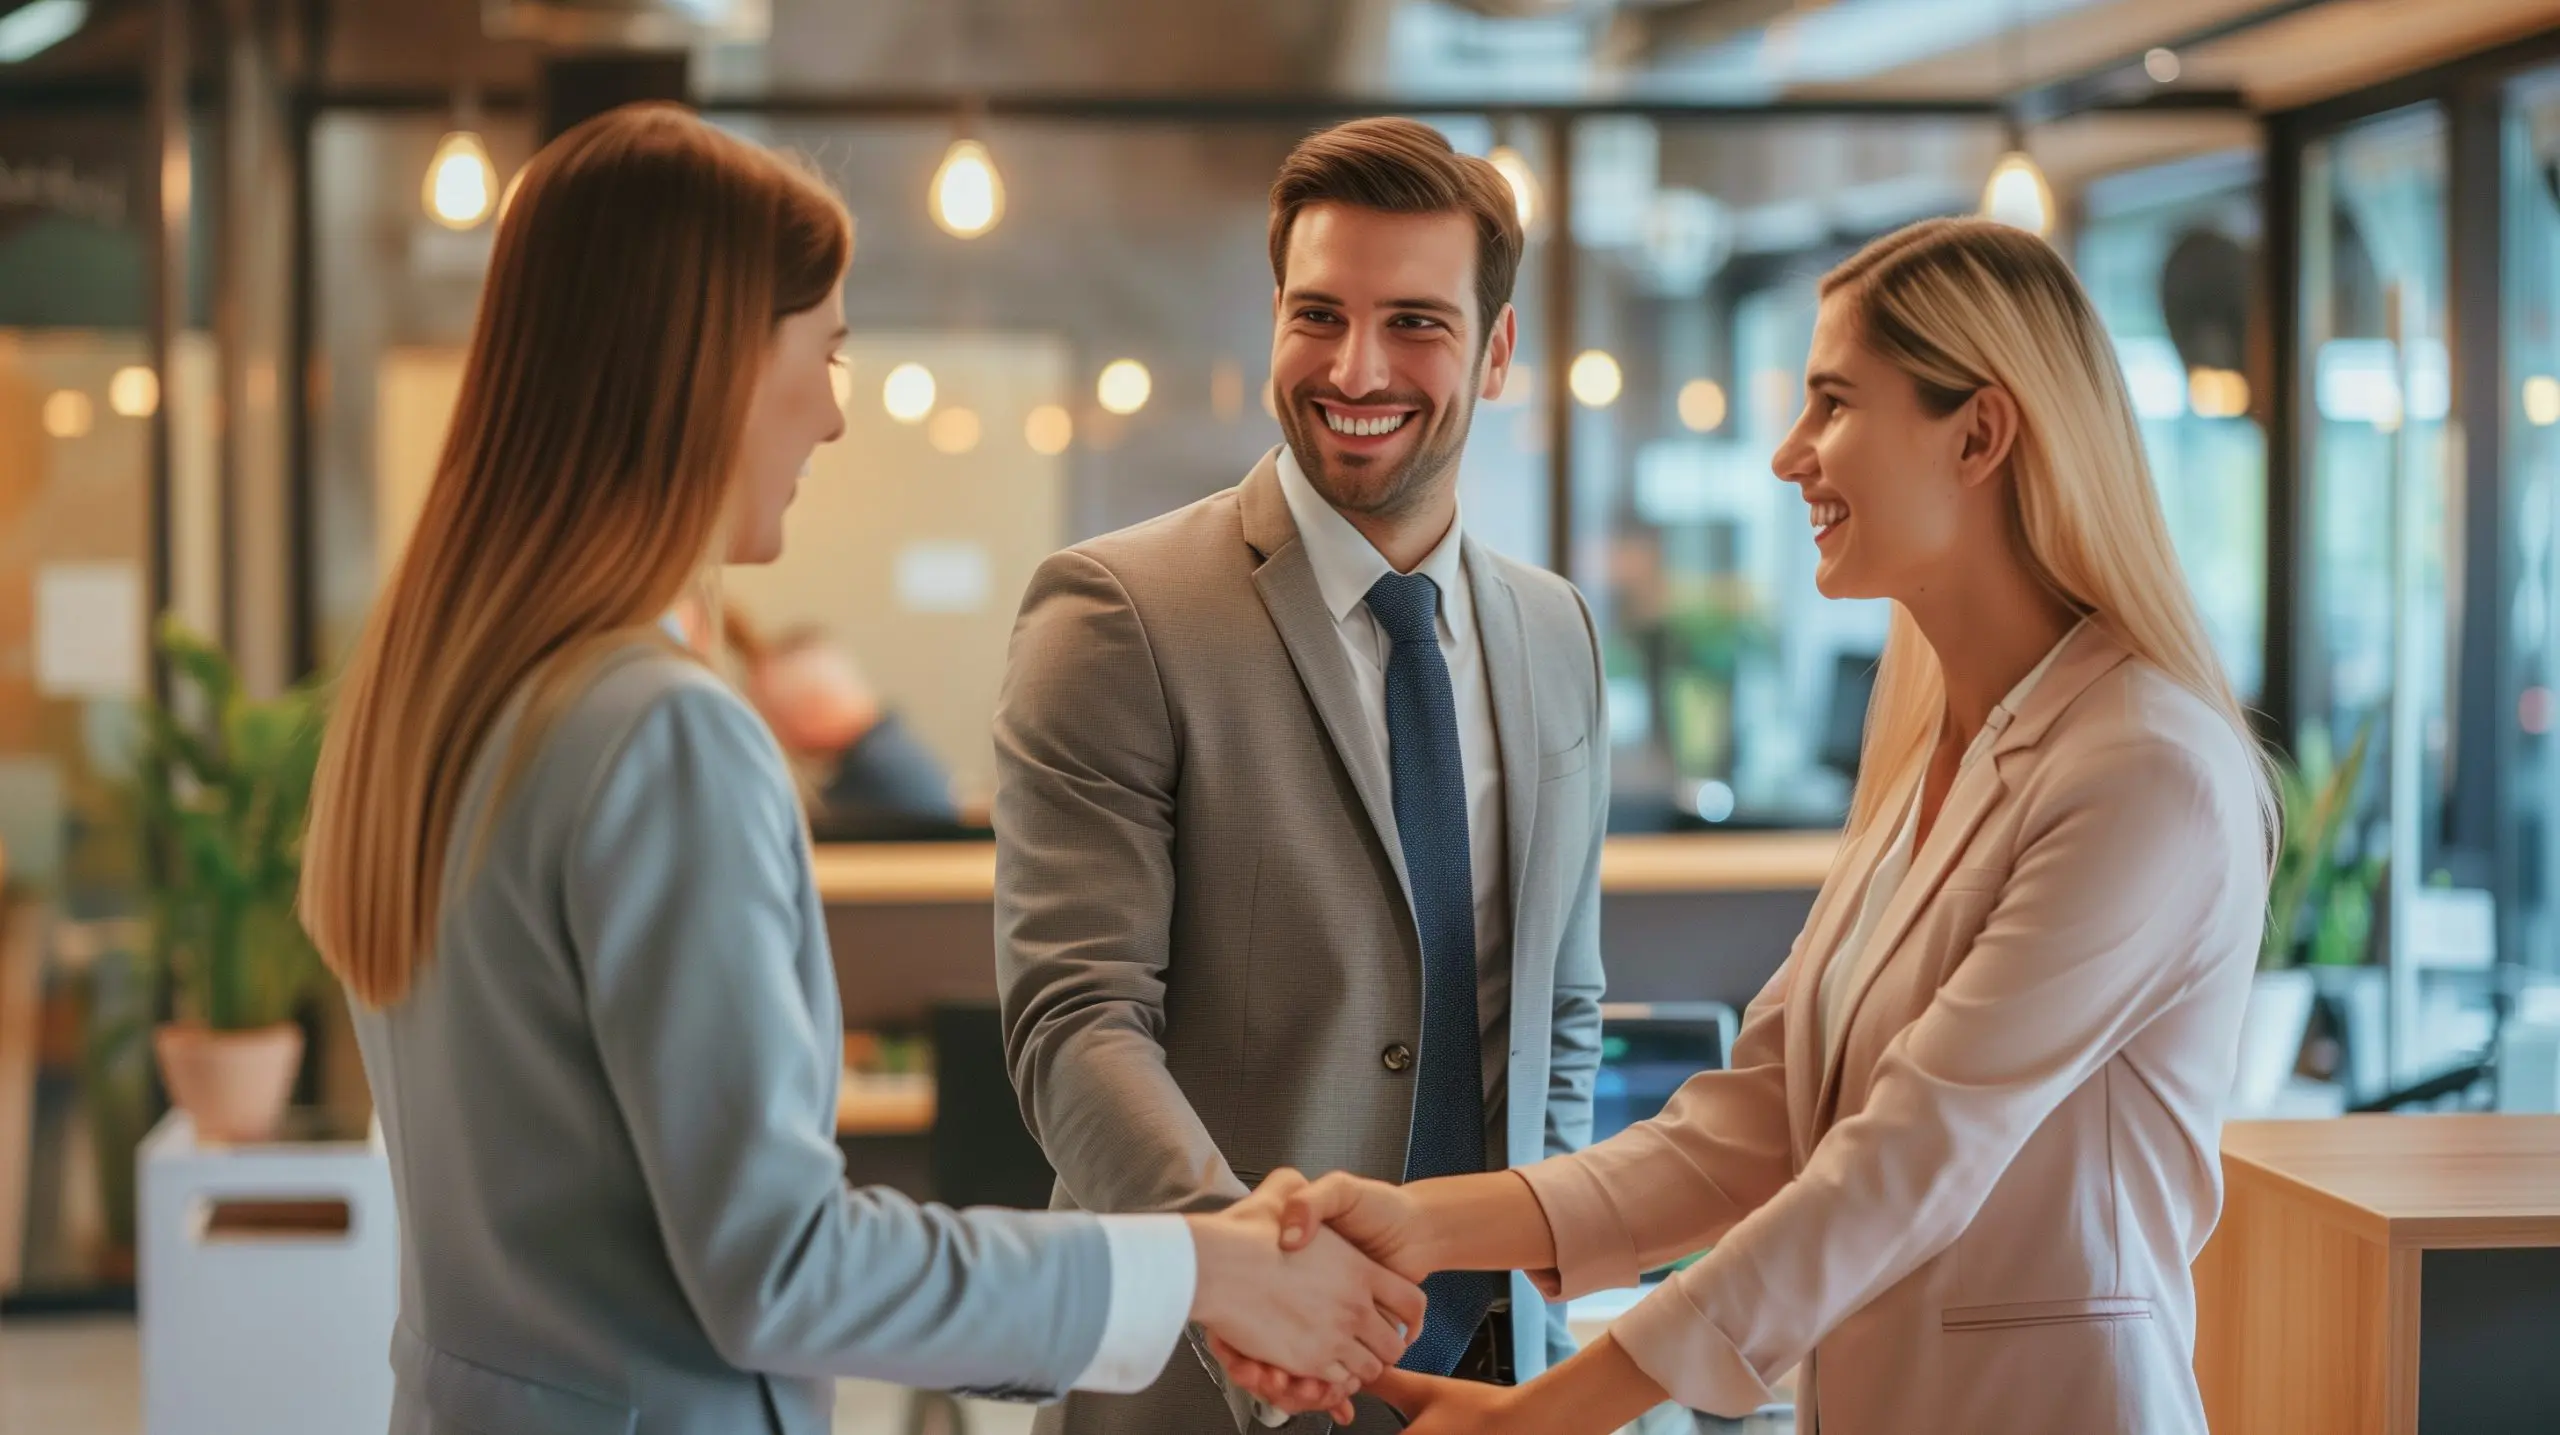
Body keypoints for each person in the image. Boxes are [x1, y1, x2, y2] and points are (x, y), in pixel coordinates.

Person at [296, 103, 1421, 1435]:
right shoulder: (664, 735)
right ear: (705, 366)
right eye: (823, 347)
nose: (834, 410)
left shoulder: (433, 706)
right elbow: (780, 1266)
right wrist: (1193, 1264)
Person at [1232, 215, 2277, 1435]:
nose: (1790, 456)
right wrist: (1426, 1219)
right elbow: (1753, 1123)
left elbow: (1901, 1164)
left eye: (1832, 404)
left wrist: (1543, 1416)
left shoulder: (2147, 768)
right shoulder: (1938, 753)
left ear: (1980, 432)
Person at [994, 116, 1611, 1434]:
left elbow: (1559, 1006)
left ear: (1497, 352)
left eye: (1416, 322)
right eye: (1318, 313)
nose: (1357, 366)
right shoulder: (1117, 613)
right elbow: (1077, 1022)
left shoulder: (1557, 633)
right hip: (1202, 1392)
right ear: (1273, 317)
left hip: (1494, 1386)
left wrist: (1534, 1292)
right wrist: (1244, 1278)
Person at [687, 601, 973, 840]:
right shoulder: (888, 755)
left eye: (775, 717)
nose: (777, 735)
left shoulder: (875, 772)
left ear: (811, 709)